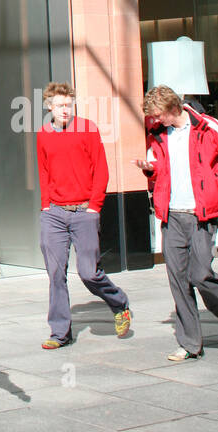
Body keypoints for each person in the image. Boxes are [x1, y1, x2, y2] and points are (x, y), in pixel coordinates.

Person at [37, 81, 132, 349]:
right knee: (55, 273)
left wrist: (94, 207)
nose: (64, 110)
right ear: (49, 107)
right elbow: (43, 171)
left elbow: (101, 169)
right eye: (59, 105)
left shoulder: (87, 129)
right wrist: (45, 205)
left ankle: (119, 302)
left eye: (68, 105)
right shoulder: (43, 134)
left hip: (84, 211)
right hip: (54, 213)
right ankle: (59, 333)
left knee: (89, 273)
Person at [137, 85, 218, 361]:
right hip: (171, 216)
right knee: (178, 281)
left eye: (159, 115)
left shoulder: (208, 128)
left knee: (201, 275)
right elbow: (157, 167)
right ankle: (190, 344)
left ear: (173, 108)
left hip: (201, 215)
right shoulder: (158, 136)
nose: (157, 120)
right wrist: (150, 170)